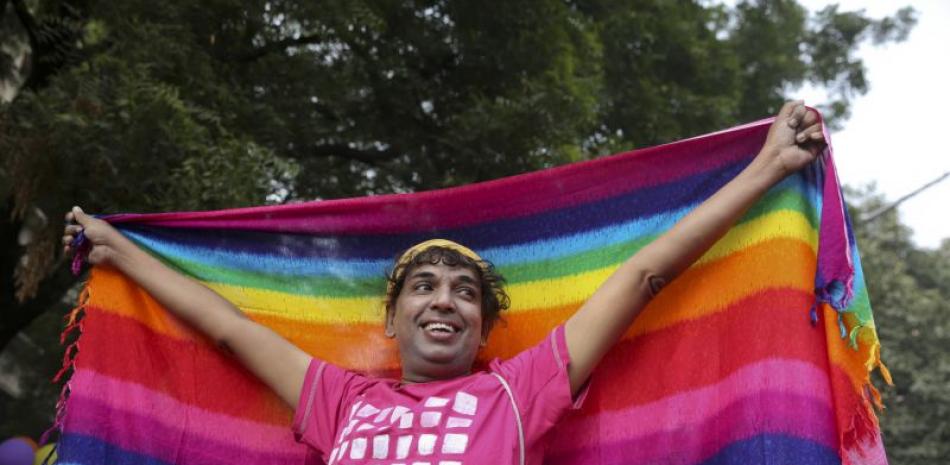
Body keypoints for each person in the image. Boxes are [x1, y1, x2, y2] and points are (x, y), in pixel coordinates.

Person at [62, 101, 825, 465]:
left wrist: (767, 168)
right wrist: (118, 254)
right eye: (423, 285)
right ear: (391, 321)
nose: (444, 298)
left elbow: (644, 273)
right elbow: (229, 329)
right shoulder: (340, 399)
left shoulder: (517, 393)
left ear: (485, 330)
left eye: (464, 291)